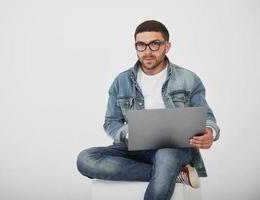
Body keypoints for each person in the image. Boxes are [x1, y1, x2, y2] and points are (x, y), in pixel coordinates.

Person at [76, 20, 220, 200]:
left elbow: (207, 117)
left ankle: (168, 169)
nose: (147, 51)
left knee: (166, 158)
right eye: (141, 45)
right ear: (135, 47)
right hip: (134, 148)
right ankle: (174, 174)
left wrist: (210, 132)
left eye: (154, 44)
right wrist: (131, 134)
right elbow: (111, 122)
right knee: (86, 159)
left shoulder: (188, 79)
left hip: (173, 149)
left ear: (167, 46)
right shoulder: (121, 81)